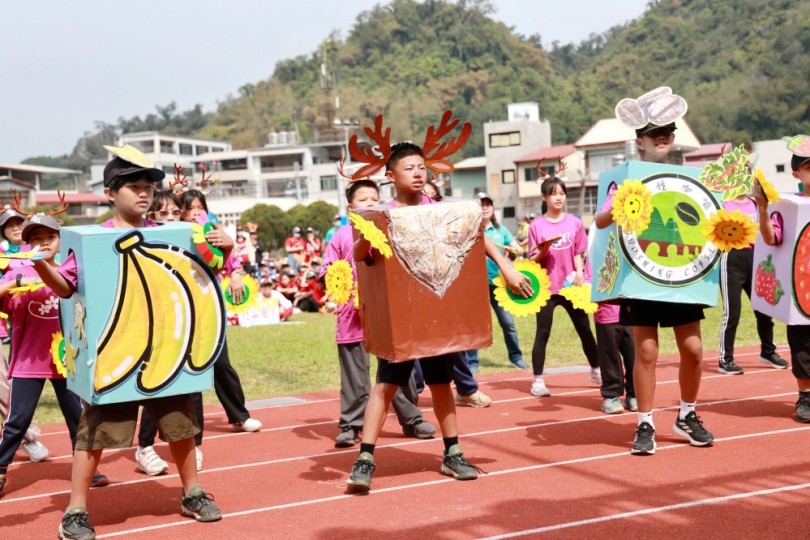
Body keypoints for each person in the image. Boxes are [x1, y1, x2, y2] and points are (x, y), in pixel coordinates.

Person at [33, 152, 222, 539]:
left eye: (149, 187)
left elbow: (207, 269)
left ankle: (193, 492)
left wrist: (225, 246)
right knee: (96, 430)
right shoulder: (90, 240)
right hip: (115, 352)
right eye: (134, 187)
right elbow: (68, 288)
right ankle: (75, 510)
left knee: (180, 425)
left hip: (166, 350)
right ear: (109, 192)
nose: (144, 194)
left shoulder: (173, 232)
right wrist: (41, 264)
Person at [346, 134, 533, 491]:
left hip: (438, 313)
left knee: (441, 384)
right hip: (402, 322)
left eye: (421, 167)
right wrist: (366, 233)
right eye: (408, 168)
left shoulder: (442, 207)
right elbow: (359, 256)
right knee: (385, 386)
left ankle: (453, 453)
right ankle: (365, 458)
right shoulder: (380, 215)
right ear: (390, 174)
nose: (417, 173)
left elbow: (478, 234)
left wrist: (507, 268)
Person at [595, 90, 714, 455]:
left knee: (693, 350)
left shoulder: (688, 178)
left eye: (667, 131)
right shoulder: (626, 178)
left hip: (683, 278)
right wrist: (618, 202)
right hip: (641, 279)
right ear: (639, 140)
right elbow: (600, 220)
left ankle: (687, 415)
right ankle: (644, 422)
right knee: (646, 352)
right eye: (653, 132)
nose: (662, 137)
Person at [0, 204, 108, 498]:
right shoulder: (16, 271)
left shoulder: (70, 273)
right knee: (17, 420)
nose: (43, 242)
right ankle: (0, 468)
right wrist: (15, 281)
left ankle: (85, 468)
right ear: (26, 243)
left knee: (78, 417)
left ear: (62, 240)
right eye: (35, 238)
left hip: (66, 361)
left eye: (51, 235)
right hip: (27, 362)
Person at [322, 179, 437, 447]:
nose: (371, 204)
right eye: (364, 200)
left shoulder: (391, 231)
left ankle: (412, 419)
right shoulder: (340, 237)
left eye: (375, 199)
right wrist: (340, 285)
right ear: (351, 208)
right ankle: (351, 424)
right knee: (354, 374)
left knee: (398, 368)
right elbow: (328, 272)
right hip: (352, 319)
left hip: (388, 316)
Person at [180, 190, 264, 434]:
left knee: (222, 363)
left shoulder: (211, 231)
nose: (196, 213)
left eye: (200, 207)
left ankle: (239, 416)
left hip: (211, 309)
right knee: (190, 369)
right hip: (183, 310)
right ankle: (190, 431)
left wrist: (236, 276)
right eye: (190, 208)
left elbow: (233, 263)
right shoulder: (173, 233)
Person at [136, 191, 204, 476]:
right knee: (155, 386)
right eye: (163, 213)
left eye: (176, 212)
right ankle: (145, 446)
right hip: (154, 324)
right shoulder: (142, 237)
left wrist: (225, 249)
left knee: (193, 383)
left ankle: (194, 444)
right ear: (150, 217)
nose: (171, 218)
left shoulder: (191, 236)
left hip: (187, 321)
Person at [527, 172, 601, 397]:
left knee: (585, 330)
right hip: (546, 288)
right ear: (544, 198)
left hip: (571, 286)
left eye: (561, 193)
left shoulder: (575, 223)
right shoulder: (536, 226)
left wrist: (579, 272)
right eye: (553, 194)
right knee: (543, 332)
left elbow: (579, 253)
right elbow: (532, 259)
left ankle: (596, 371)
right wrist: (544, 250)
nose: (558, 198)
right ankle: (538, 381)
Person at [755, 147, 810, 422]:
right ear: (796, 173)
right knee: (801, 345)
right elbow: (771, 239)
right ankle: (805, 397)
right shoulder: (787, 207)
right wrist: (763, 209)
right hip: (801, 292)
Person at [718, 192, 786, 374]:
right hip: (732, 258)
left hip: (756, 259)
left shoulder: (757, 202)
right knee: (732, 314)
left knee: (764, 311)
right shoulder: (721, 202)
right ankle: (726, 359)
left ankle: (768, 352)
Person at [0, 206, 47, 462]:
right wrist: (15, 282)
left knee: (76, 415)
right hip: (21, 342)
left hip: (50, 350)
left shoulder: (48, 257)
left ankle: (27, 437)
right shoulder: (7, 261)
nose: (16, 227)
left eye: (20, 223)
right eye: (10, 225)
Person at [465, 192, 529, 373]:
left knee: (507, 322)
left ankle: (515, 357)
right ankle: (472, 362)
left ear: (492, 208)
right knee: (476, 325)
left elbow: (519, 250)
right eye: (481, 204)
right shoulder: (469, 230)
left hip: (499, 284)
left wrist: (513, 250)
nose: (484, 208)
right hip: (476, 285)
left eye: (488, 204)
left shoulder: (500, 230)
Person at [586, 258, 636, 414]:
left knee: (634, 356)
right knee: (609, 357)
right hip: (606, 314)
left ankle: (634, 393)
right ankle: (611, 395)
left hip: (632, 314)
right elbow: (588, 280)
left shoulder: (630, 250)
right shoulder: (596, 252)